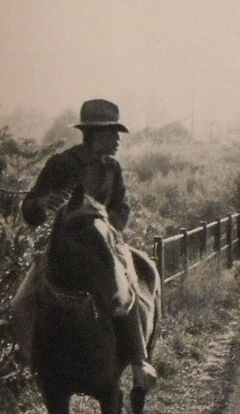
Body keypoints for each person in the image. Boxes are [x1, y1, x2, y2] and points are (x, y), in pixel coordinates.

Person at [13, 98, 158, 389]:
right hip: (64, 248)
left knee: (128, 289)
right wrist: (42, 202)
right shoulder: (60, 164)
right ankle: (33, 363)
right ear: (94, 134)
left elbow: (123, 208)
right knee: (20, 303)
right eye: (111, 132)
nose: (117, 139)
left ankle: (140, 360)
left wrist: (106, 229)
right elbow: (29, 209)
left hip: (106, 246)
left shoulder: (112, 168)